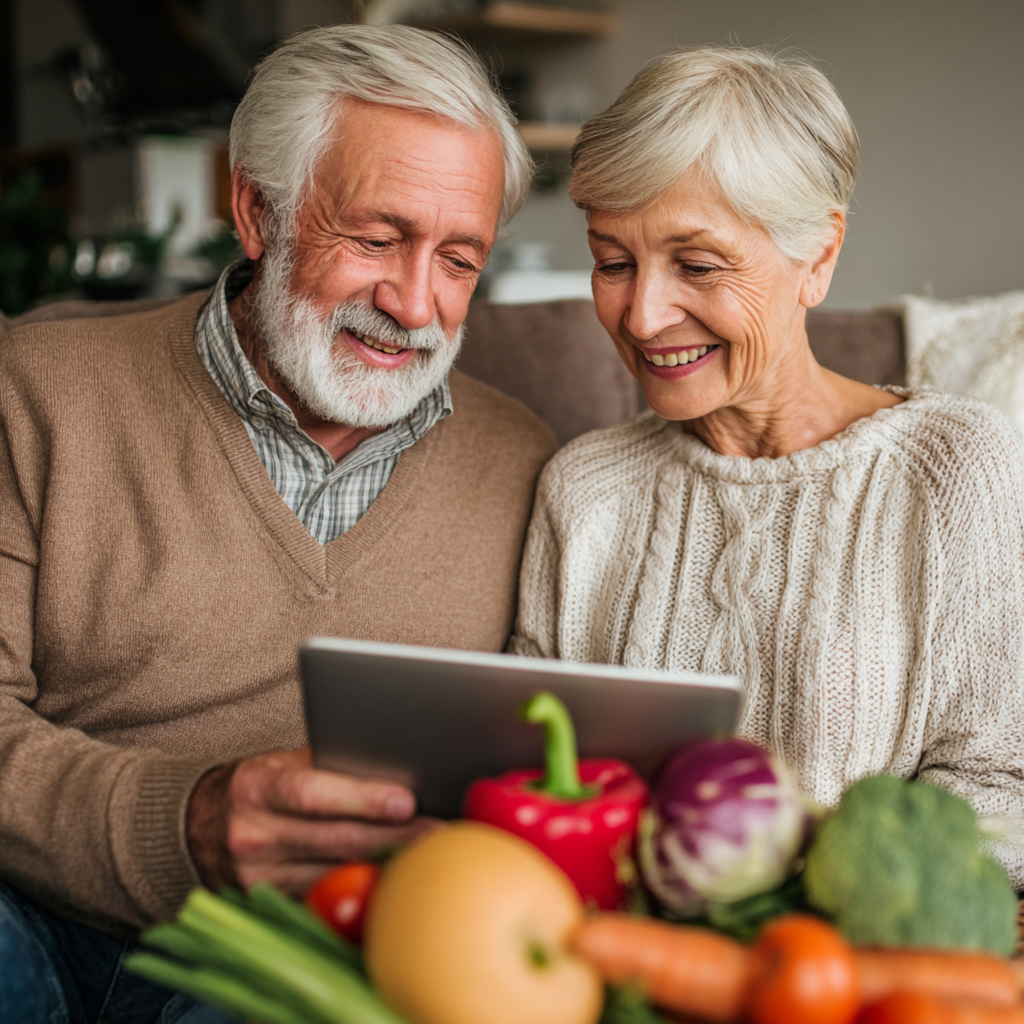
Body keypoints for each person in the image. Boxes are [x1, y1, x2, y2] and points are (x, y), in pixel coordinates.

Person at [0, 25, 556, 1022]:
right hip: (33, 907)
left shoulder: (529, 467)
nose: (414, 302)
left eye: (459, 258)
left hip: (306, 953)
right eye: (377, 237)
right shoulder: (30, 394)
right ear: (258, 210)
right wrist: (189, 823)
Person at [513, 46, 1024, 885]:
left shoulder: (954, 471)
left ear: (818, 258)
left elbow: (1005, 792)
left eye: (698, 264)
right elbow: (527, 763)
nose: (642, 315)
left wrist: (795, 888)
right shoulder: (585, 488)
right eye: (612, 262)